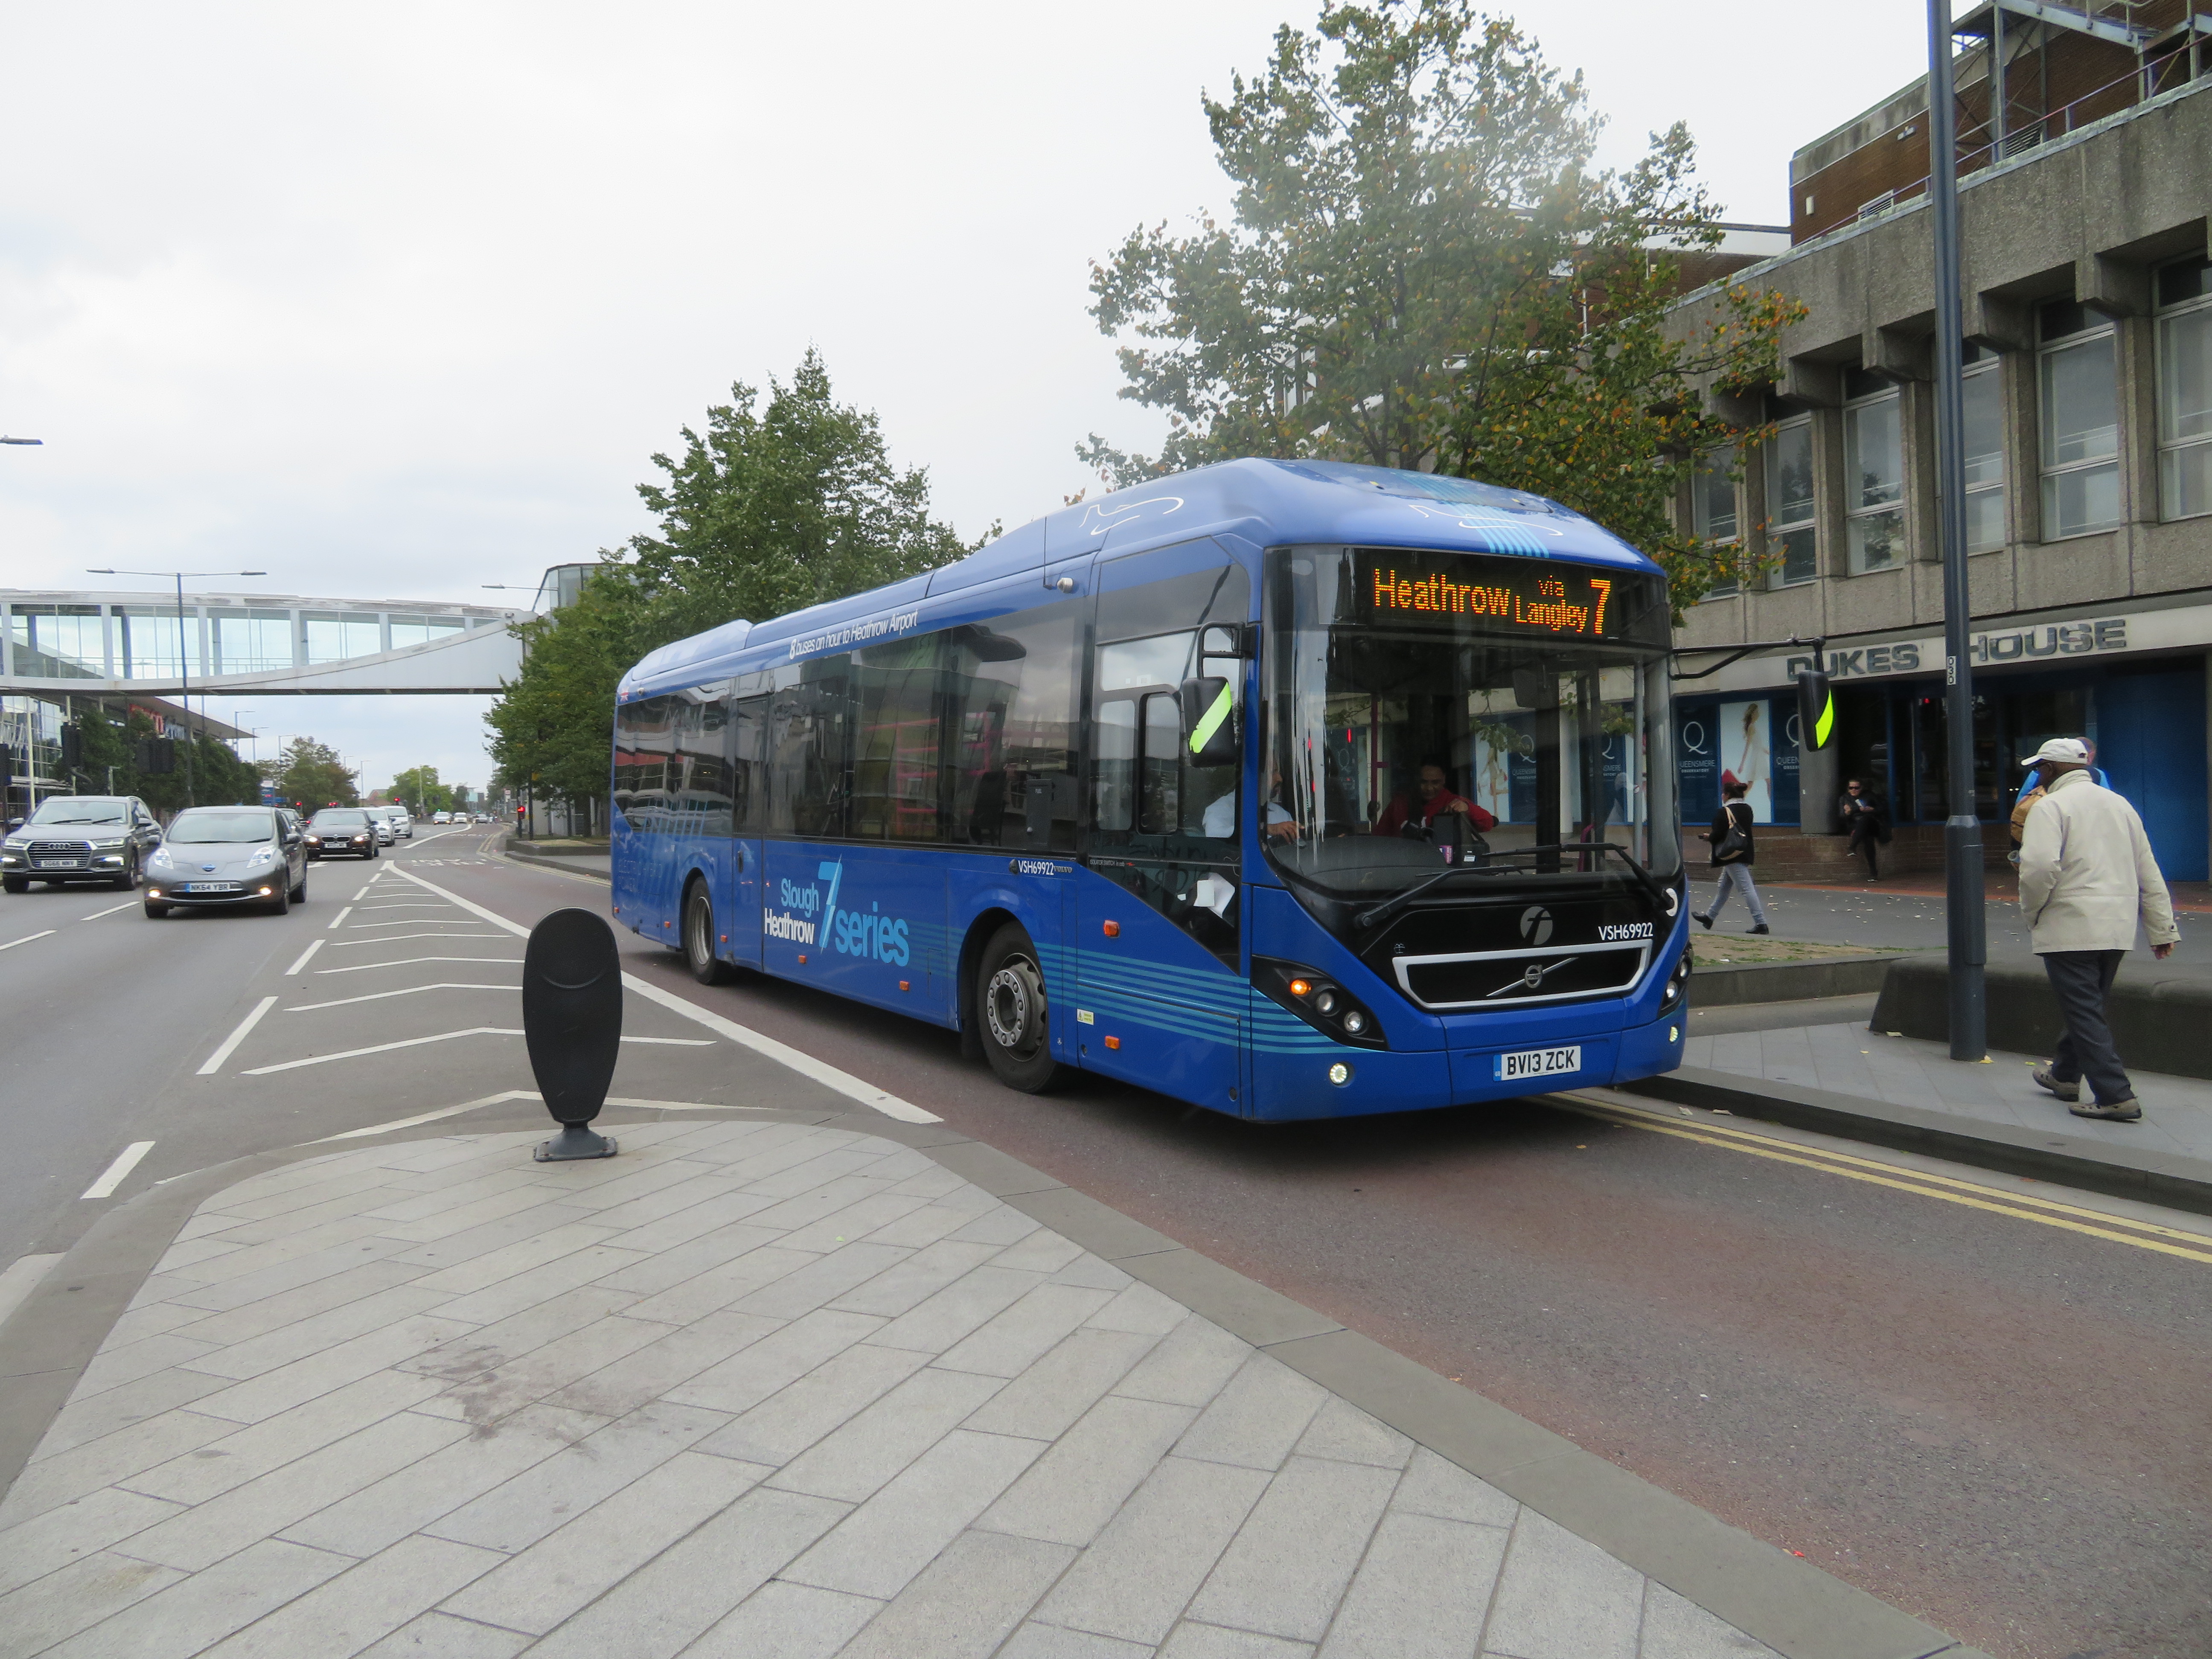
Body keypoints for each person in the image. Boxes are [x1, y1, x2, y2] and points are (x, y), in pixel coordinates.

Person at [2017, 736, 2179, 1122]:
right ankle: (2064, 1076)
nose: (2038, 775)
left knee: (2084, 1012)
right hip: (2117, 927)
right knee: (2087, 1006)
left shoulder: (2050, 807)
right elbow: (2148, 870)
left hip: (2070, 925)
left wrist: (2034, 914)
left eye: (2039, 768)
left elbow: (2039, 868)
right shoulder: (2121, 805)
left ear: (2052, 768)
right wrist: (2162, 929)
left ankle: (2116, 1095)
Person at [1694, 779, 1769, 934]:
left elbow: (1718, 834)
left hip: (1731, 854)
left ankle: (1761, 923)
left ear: (1727, 795)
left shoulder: (1723, 812)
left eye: (1723, 793)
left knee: (1747, 889)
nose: (1722, 796)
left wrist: (1709, 837)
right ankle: (1709, 917)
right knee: (1723, 887)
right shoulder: (1748, 809)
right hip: (1743, 851)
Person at [1372, 759, 1496, 840]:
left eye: (1435, 783)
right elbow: (1379, 837)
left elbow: (1487, 824)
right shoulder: (1400, 803)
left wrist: (1467, 808)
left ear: (1444, 780)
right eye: (1424, 782)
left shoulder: (1453, 802)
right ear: (1416, 780)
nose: (1429, 788)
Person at [1837, 778, 1887, 878]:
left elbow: (1881, 809)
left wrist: (1872, 810)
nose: (1854, 790)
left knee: (1866, 819)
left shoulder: (1869, 796)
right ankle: (1873, 873)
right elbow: (1842, 816)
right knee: (1868, 839)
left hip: (1871, 822)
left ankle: (1852, 847)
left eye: (1857, 788)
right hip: (1855, 825)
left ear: (1861, 788)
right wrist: (1848, 812)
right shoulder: (1844, 799)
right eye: (1851, 788)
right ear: (1848, 789)